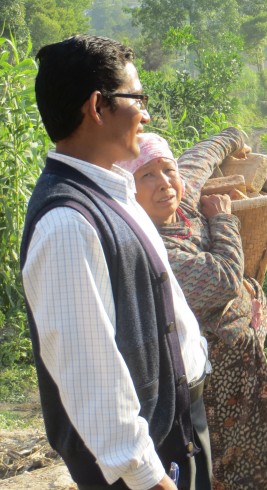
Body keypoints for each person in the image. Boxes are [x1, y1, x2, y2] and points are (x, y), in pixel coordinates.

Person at [20, 35, 212, 490]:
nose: (145, 114)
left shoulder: (111, 192)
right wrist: (146, 474)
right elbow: (88, 369)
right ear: (97, 107)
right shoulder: (68, 223)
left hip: (170, 428)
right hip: (141, 464)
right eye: (137, 97)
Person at [116, 131, 267, 490]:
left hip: (243, 363)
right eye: (147, 176)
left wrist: (234, 137)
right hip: (215, 382)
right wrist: (222, 220)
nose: (165, 183)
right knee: (227, 462)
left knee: (265, 450)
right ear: (128, 189)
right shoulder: (156, 252)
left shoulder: (181, 205)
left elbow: (200, 156)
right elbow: (225, 280)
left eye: (167, 170)